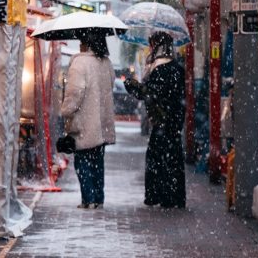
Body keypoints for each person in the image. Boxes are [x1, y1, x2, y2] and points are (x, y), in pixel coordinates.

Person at [124, 31, 186, 209]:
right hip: (174, 122)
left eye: (152, 44)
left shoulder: (159, 69)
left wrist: (134, 86)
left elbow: (150, 94)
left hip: (162, 122)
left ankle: (160, 195)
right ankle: (175, 196)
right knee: (173, 158)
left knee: (158, 159)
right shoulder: (178, 69)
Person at [60, 28, 116, 209]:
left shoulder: (79, 64)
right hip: (101, 122)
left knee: (82, 162)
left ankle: (88, 198)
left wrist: (66, 110)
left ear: (86, 43)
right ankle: (98, 198)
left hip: (84, 122)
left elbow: (75, 93)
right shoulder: (106, 63)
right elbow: (111, 85)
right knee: (98, 162)